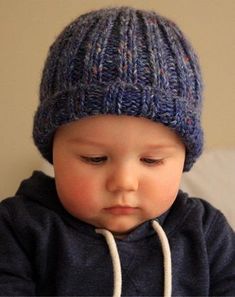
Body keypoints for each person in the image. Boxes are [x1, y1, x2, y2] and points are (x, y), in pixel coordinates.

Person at [0, 6, 234, 297]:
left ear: (185, 158)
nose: (124, 182)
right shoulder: (19, 229)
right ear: (53, 152)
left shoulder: (207, 234)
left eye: (151, 160)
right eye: (94, 158)